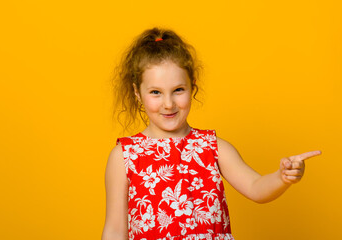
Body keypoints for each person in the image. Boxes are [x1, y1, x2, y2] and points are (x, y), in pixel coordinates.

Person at [102, 27, 322, 240]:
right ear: (137, 93)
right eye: (156, 93)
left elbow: (256, 188)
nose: (168, 104)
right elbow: (114, 231)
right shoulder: (124, 156)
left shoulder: (214, 147)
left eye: (178, 90)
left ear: (192, 86)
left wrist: (282, 178)